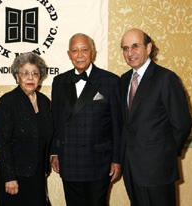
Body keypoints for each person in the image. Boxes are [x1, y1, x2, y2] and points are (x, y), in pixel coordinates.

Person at [120, 28, 192, 206]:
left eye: (135, 46)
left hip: (158, 170)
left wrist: (163, 155)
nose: (130, 53)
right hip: (131, 169)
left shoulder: (166, 78)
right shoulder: (123, 81)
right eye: (125, 48)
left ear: (149, 47)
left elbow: (182, 124)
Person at [51, 33, 122, 206]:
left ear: (93, 52)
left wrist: (117, 159)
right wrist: (54, 152)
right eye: (75, 51)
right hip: (69, 159)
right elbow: (55, 120)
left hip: (99, 160)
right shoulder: (59, 81)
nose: (80, 55)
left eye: (84, 50)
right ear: (69, 54)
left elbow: (118, 125)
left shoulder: (110, 81)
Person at [0, 52, 53, 206]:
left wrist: (46, 167)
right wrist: (9, 177)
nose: (30, 77)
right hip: (15, 176)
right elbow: (3, 142)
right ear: (17, 76)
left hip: (38, 174)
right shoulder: (8, 101)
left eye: (35, 73)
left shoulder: (44, 102)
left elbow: (47, 137)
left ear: (40, 78)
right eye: (25, 73)